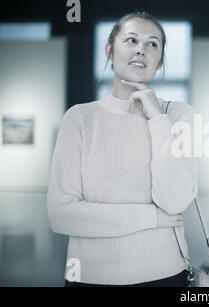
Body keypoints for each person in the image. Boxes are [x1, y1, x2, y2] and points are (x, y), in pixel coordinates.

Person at [46, 11, 197, 287]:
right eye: (131, 40)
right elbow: (61, 215)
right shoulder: (79, 118)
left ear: (160, 59)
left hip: (165, 275)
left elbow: (175, 201)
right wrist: (152, 217)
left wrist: (157, 120)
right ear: (109, 51)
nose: (141, 48)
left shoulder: (179, 115)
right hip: (89, 278)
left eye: (153, 44)